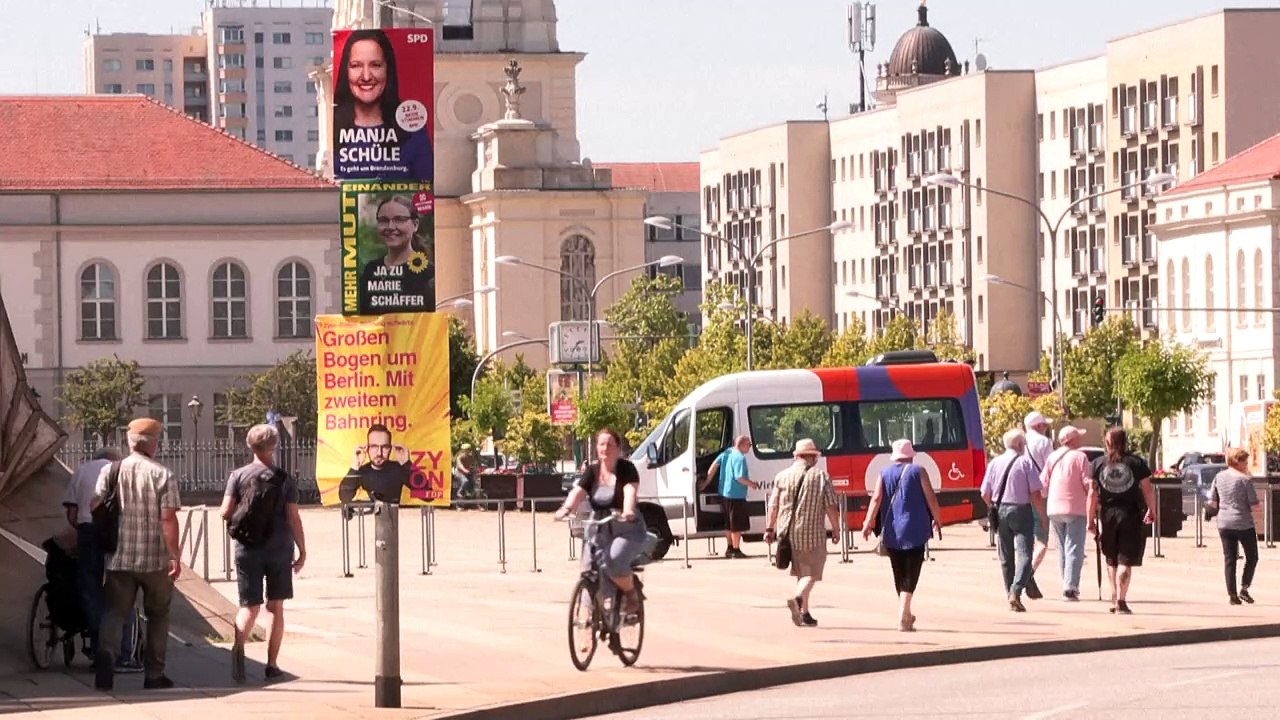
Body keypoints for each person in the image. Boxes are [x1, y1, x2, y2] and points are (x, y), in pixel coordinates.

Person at [92, 418, 181, 692]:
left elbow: (95, 503)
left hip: (120, 556)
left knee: (114, 613)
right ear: (153, 444)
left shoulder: (112, 470)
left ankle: (106, 662)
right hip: (155, 560)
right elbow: (168, 519)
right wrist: (174, 556)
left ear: (130, 443)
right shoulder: (163, 475)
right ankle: (154, 675)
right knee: (158, 614)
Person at [221, 424, 307, 684]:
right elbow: (293, 517)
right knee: (276, 607)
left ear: (250, 446)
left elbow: (225, 511)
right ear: (274, 446)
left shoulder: (237, 476)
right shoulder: (284, 479)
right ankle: (271, 665)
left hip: (247, 549)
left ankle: (238, 646)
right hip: (279, 548)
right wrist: (302, 549)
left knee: (249, 605)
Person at [555, 429, 648, 618]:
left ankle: (630, 595)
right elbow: (578, 492)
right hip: (599, 527)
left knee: (613, 561)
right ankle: (588, 623)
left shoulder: (626, 469)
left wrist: (628, 510)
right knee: (589, 570)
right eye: (601, 444)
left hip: (625, 527)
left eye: (610, 444)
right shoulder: (592, 471)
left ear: (618, 448)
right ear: (597, 448)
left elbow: (630, 491)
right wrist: (566, 508)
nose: (605, 448)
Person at [861, 440, 942, 632]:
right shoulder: (919, 471)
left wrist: (867, 522)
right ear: (911, 455)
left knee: (898, 572)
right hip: (915, 529)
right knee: (911, 572)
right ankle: (903, 615)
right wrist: (938, 518)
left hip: (892, 531)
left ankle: (906, 612)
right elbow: (931, 497)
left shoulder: (884, 473)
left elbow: (876, 499)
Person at [333, 29, 432, 179]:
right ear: (345, 71)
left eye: (376, 65)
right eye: (356, 65)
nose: (366, 76)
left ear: (388, 70)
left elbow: (425, 188)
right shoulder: (332, 128)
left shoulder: (413, 132)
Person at [764, 439, 840, 627]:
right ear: (812, 457)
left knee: (801, 573)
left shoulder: (782, 476)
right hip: (812, 532)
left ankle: (804, 613)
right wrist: (836, 528)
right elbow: (830, 505)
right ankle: (797, 599)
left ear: (796, 456)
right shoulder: (821, 477)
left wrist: (769, 529)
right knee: (812, 572)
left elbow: (773, 505)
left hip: (787, 534)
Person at [1087, 427, 1156, 615]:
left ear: (1107, 443)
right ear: (1125, 442)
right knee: (1126, 558)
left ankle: (1114, 595)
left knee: (1111, 558)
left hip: (1107, 514)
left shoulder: (1098, 464)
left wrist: (1089, 519)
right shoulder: (1136, 463)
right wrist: (1152, 509)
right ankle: (1121, 600)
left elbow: (1092, 494)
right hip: (1130, 513)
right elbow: (1147, 489)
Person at [980, 429, 1048, 612]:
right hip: (1021, 510)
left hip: (1000, 509)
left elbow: (984, 493)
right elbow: (1035, 493)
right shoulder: (1025, 463)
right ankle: (1016, 591)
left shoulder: (994, 463)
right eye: (1024, 444)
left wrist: (993, 506)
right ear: (1019, 445)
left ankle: (1010, 594)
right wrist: (1041, 515)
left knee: (1006, 557)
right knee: (1025, 554)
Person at [359, 195, 436, 314]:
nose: (390, 227)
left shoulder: (429, 274)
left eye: (399, 219)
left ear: (415, 225)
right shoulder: (370, 271)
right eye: (384, 220)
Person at [1041, 425, 1092, 601]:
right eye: (1078, 436)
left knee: (1062, 548)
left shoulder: (1052, 457)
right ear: (1072, 440)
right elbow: (1087, 482)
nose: (1081, 439)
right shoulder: (1080, 457)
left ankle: (1066, 583)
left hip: (1054, 507)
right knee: (1074, 547)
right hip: (1075, 507)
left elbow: (1043, 483)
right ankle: (1070, 587)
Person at [1206, 447, 1260, 605]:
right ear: (1238, 461)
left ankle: (1232, 595)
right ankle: (1244, 587)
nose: (1247, 464)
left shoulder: (1218, 477)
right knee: (1252, 556)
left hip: (1224, 523)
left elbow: (1213, 502)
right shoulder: (1245, 480)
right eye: (1245, 461)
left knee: (1230, 559)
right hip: (1243, 523)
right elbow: (1255, 506)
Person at [701, 435, 757, 558]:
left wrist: (706, 482)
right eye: (749, 444)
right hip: (736, 495)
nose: (749, 447)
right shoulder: (740, 458)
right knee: (736, 524)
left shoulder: (727, 453)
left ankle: (729, 547)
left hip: (724, 493)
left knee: (728, 523)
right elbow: (739, 478)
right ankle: (736, 550)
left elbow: (713, 466)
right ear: (742, 444)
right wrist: (752, 484)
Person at [338, 424, 412, 503]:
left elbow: (426, 494)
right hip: (369, 515)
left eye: (384, 447)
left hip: (394, 515)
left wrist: (407, 463)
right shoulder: (362, 471)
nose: (379, 453)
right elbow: (344, 497)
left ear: (390, 449)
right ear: (367, 448)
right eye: (374, 446)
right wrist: (354, 467)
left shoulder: (398, 469)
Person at [1024, 412, 1053, 595]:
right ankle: (1029, 572)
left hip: (1020, 495)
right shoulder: (1044, 443)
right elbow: (1051, 468)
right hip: (1041, 494)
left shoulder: (1019, 441)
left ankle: (1023, 572)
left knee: (1025, 540)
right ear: (1038, 426)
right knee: (1041, 539)